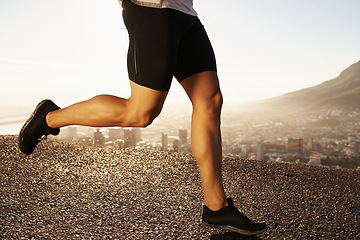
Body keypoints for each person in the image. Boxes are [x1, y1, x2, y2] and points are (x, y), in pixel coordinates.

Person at [19, 0, 267, 236]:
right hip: (151, 9)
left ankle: (216, 207)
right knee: (141, 112)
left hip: (185, 12)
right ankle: (49, 117)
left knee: (210, 100)